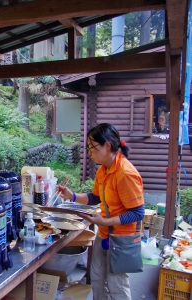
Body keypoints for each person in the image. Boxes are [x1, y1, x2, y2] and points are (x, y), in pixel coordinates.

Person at [57, 123, 144, 300]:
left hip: (121, 239)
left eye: (93, 147)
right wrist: (71, 195)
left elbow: (137, 212)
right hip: (103, 233)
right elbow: (95, 198)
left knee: (117, 286)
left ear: (108, 146)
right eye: (88, 148)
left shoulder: (126, 173)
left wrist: (105, 222)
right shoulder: (103, 170)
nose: (90, 152)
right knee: (97, 278)